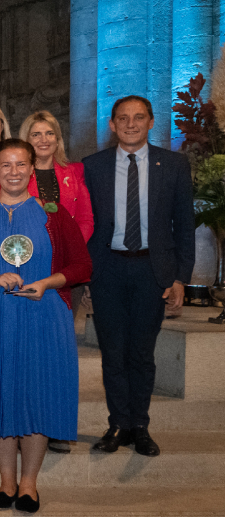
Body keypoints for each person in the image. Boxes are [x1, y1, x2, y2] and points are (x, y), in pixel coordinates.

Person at [0, 139, 92, 513]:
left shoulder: (55, 215)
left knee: (36, 394)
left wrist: (47, 282)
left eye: (21, 164)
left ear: (32, 169)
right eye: (5, 165)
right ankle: (6, 481)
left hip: (42, 315)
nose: (13, 171)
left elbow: (82, 266)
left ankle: (29, 484)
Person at [83, 96, 194, 457]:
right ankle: (118, 424)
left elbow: (185, 226)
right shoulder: (92, 166)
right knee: (113, 351)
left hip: (152, 269)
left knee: (142, 354)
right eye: (123, 118)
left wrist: (180, 277)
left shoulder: (173, 165)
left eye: (138, 117)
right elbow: (85, 225)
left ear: (150, 122)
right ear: (112, 125)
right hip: (107, 269)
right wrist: (84, 273)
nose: (131, 124)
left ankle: (140, 427)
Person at [20, 110, 94, 242]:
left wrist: (72, 248)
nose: (44, 140)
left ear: (57, 140)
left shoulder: (75, 171)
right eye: (36, 134)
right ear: (26, 141)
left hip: (69, 251)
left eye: (50, 133)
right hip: (28, 251)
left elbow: (85, 219)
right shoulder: (15, 175)